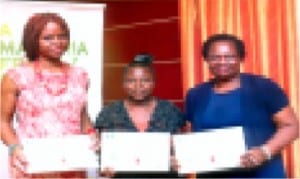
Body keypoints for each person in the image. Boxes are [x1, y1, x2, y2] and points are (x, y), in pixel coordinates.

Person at [184, 33, 299, 178]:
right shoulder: (196, 94)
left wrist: (265, 151)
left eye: (230, 56)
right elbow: (191, 134)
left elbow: (291, 126)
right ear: (206, 59)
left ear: (241, 58)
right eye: (215, 57)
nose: (222, 62)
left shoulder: (263, 87)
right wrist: (184, 158)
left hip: (261, 174)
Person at [0, 12, 96, 178]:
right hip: (32, 162)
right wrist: (14, 147)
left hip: (72, 162)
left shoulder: (80, 75)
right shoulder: (16, 76)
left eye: (62, 36)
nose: (57, 42)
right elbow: (2, 121)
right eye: (48, 38)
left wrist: (91, 134)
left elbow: (81, 116)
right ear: (33, 40)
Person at [95, 53, 185, 178]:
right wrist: (103, 165)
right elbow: (100, 151)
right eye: (131, 81)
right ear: (123, 83)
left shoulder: (170, 111)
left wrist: (179, 161)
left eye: (145, 80)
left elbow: (182, 149)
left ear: (154, 82)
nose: (138, 86)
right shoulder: (109, 113)